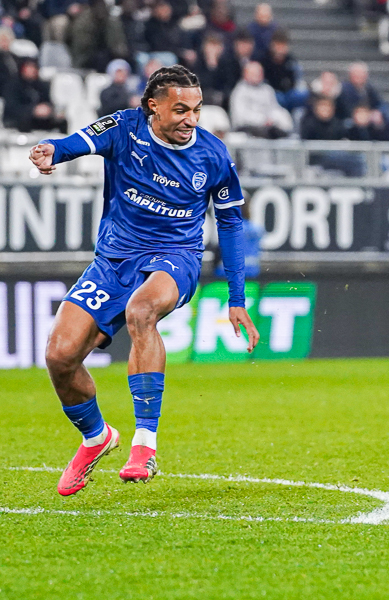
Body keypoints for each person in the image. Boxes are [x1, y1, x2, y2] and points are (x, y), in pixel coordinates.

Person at [28, 65, 260, 497]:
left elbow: (230, 225)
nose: (191, 119)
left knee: (141, 311)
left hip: (177, 257)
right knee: (60, 356)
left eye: (196, 109)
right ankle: (97, 438)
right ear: (153, 107)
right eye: (180, 110)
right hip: (115, 259)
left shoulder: (213, 155)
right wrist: (51, 151)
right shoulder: (124, 127)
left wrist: (236, 297)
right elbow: (77, 142)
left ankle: (144, 445)